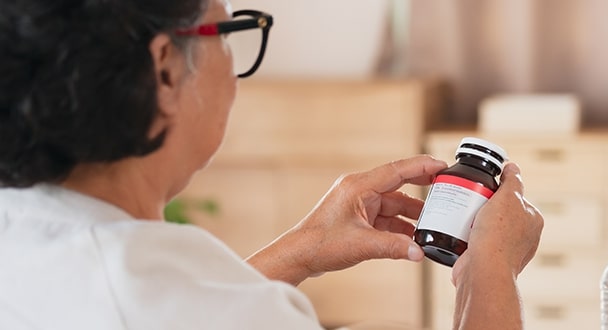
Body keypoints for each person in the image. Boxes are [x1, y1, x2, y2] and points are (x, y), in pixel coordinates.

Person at [0, 0, 543, 329]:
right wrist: (492, 268)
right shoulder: (142, 291)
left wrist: (303, 249)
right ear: (166, 72)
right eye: (228, 33)